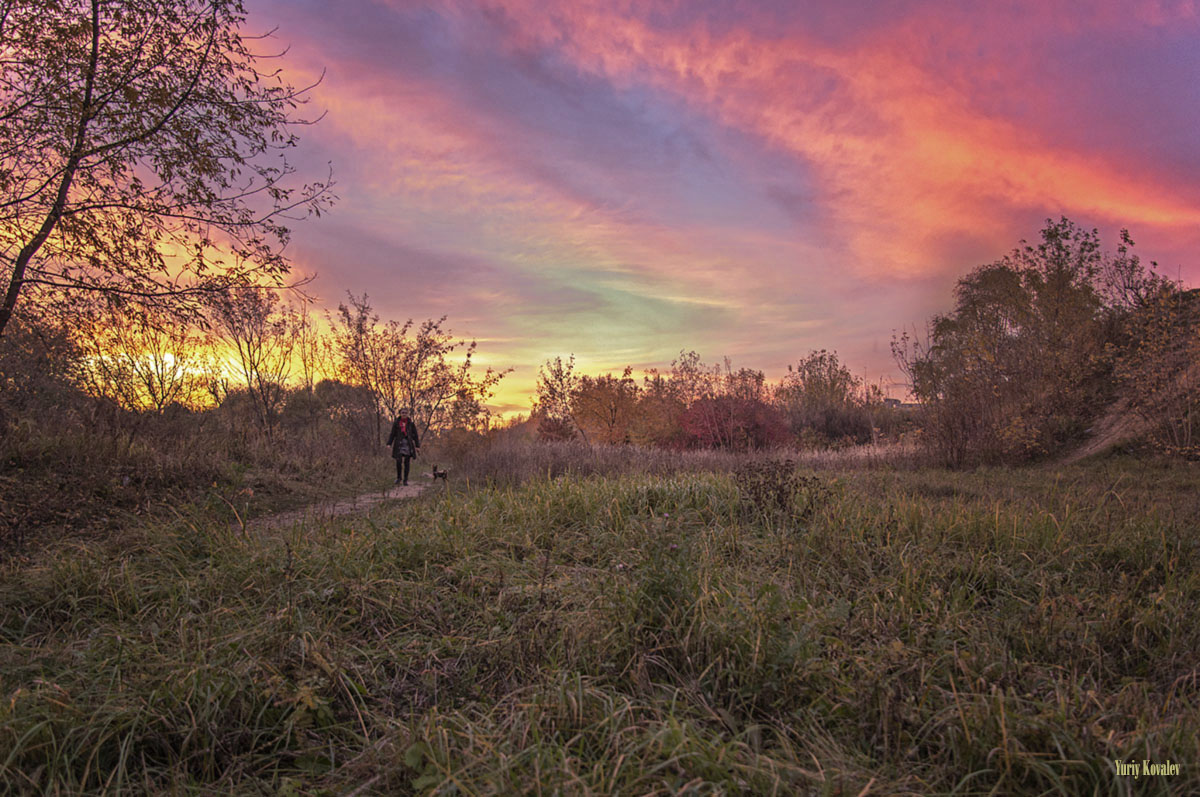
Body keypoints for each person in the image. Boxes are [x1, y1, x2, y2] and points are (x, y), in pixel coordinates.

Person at [386, 410, 420, 485]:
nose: (404, 414)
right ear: (400, 414)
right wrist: (389, 443)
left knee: (407, 462)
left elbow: (415, 435)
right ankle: (399, 478)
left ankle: (405, 480)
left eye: (405, 413)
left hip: (408, 444)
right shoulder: (396, 423)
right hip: (399, 444)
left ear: (407, 414)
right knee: (398, 461)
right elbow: (392, 434)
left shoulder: (411, 424)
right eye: (403, 413)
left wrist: (417, 446)